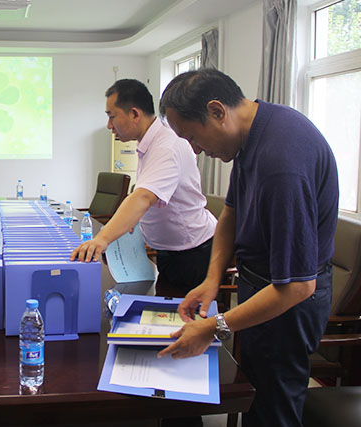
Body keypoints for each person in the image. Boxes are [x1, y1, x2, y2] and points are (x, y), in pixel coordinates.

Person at [157, 69, 338, 427]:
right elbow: (231, 213)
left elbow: (298, 286)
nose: (196, 150)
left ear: (217, 111)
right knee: (253, 394)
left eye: (192, 137)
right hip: (260, 285)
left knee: (274, 407)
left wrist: (214, 327)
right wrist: (212, 280)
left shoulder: (282, 163)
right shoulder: (252, 132)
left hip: (287, 301)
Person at [70, 79, 217, 296]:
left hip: (192, 252)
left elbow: (143, 197)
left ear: (134, 114)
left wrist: (101, 240)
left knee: (181, 313)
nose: (109, 125)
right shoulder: (150, 143)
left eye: (112, 116)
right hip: (170, 251)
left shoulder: (166, 146)